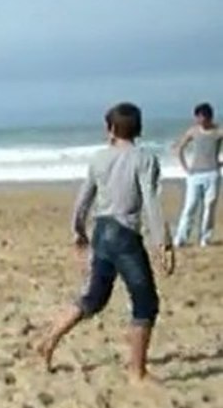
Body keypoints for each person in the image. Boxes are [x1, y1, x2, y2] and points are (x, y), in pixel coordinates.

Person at [36, 102, 175, 384]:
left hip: (101, 231)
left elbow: (84, 197)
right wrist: (163, 241)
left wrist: (77, 230)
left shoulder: (99, 158)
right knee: (146, 303)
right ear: (139, 129)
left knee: (95, 298)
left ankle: (49, 339)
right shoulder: (145, 158)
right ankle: (137, 372)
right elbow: (150, 200)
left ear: (110, 129)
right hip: (125, 236)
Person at [172, 102, 222, 248]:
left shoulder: (218, 132)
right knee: (190, 206)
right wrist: (185, 167)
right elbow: (180, 147)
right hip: (195, 174)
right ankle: (180, 238)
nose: (199, 120)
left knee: (209, 206)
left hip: (212, 173)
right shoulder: (193, 131)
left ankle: (204, 238)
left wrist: (220, 163)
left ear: (209, 117)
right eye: (198, 117)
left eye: (202, 117)